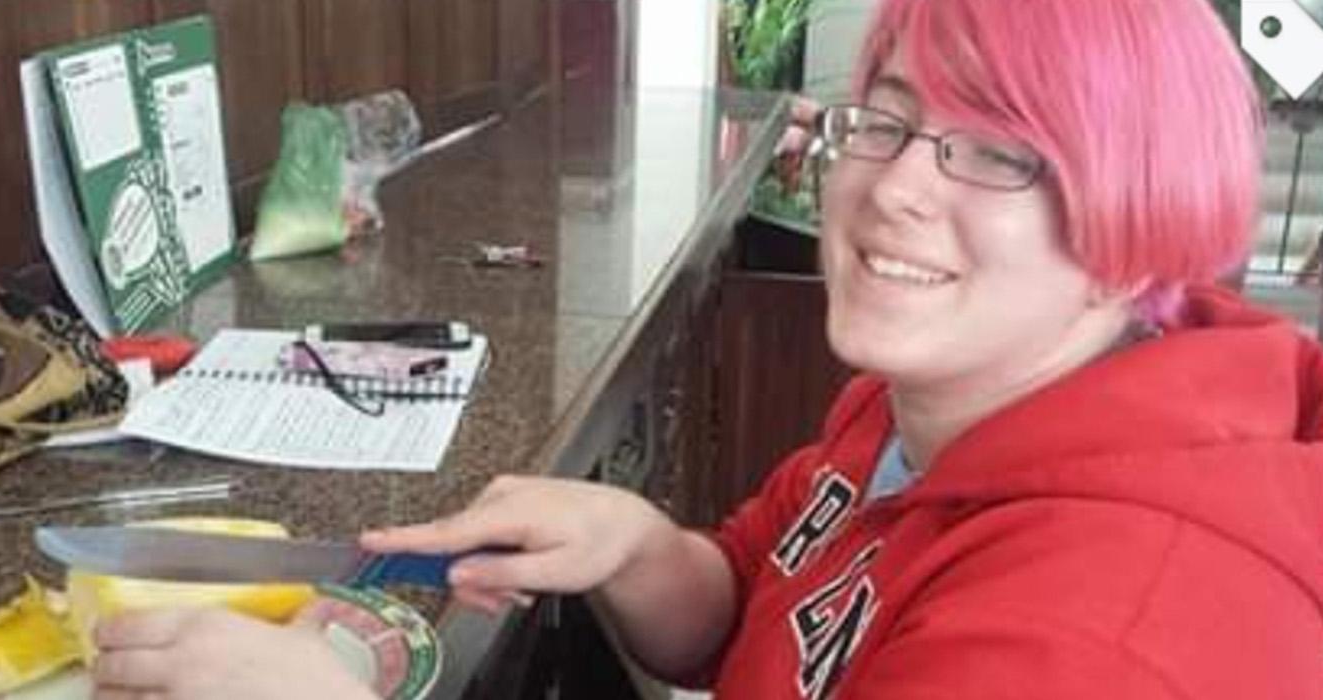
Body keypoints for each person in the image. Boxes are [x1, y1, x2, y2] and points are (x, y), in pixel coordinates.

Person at [90, 0, 1323, 697]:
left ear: (1131, 223)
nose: (893, 191)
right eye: (884, 125)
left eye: (1000, 153)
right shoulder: (941, 400)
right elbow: (759, 607)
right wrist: (637, 546)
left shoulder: (1095, 642)